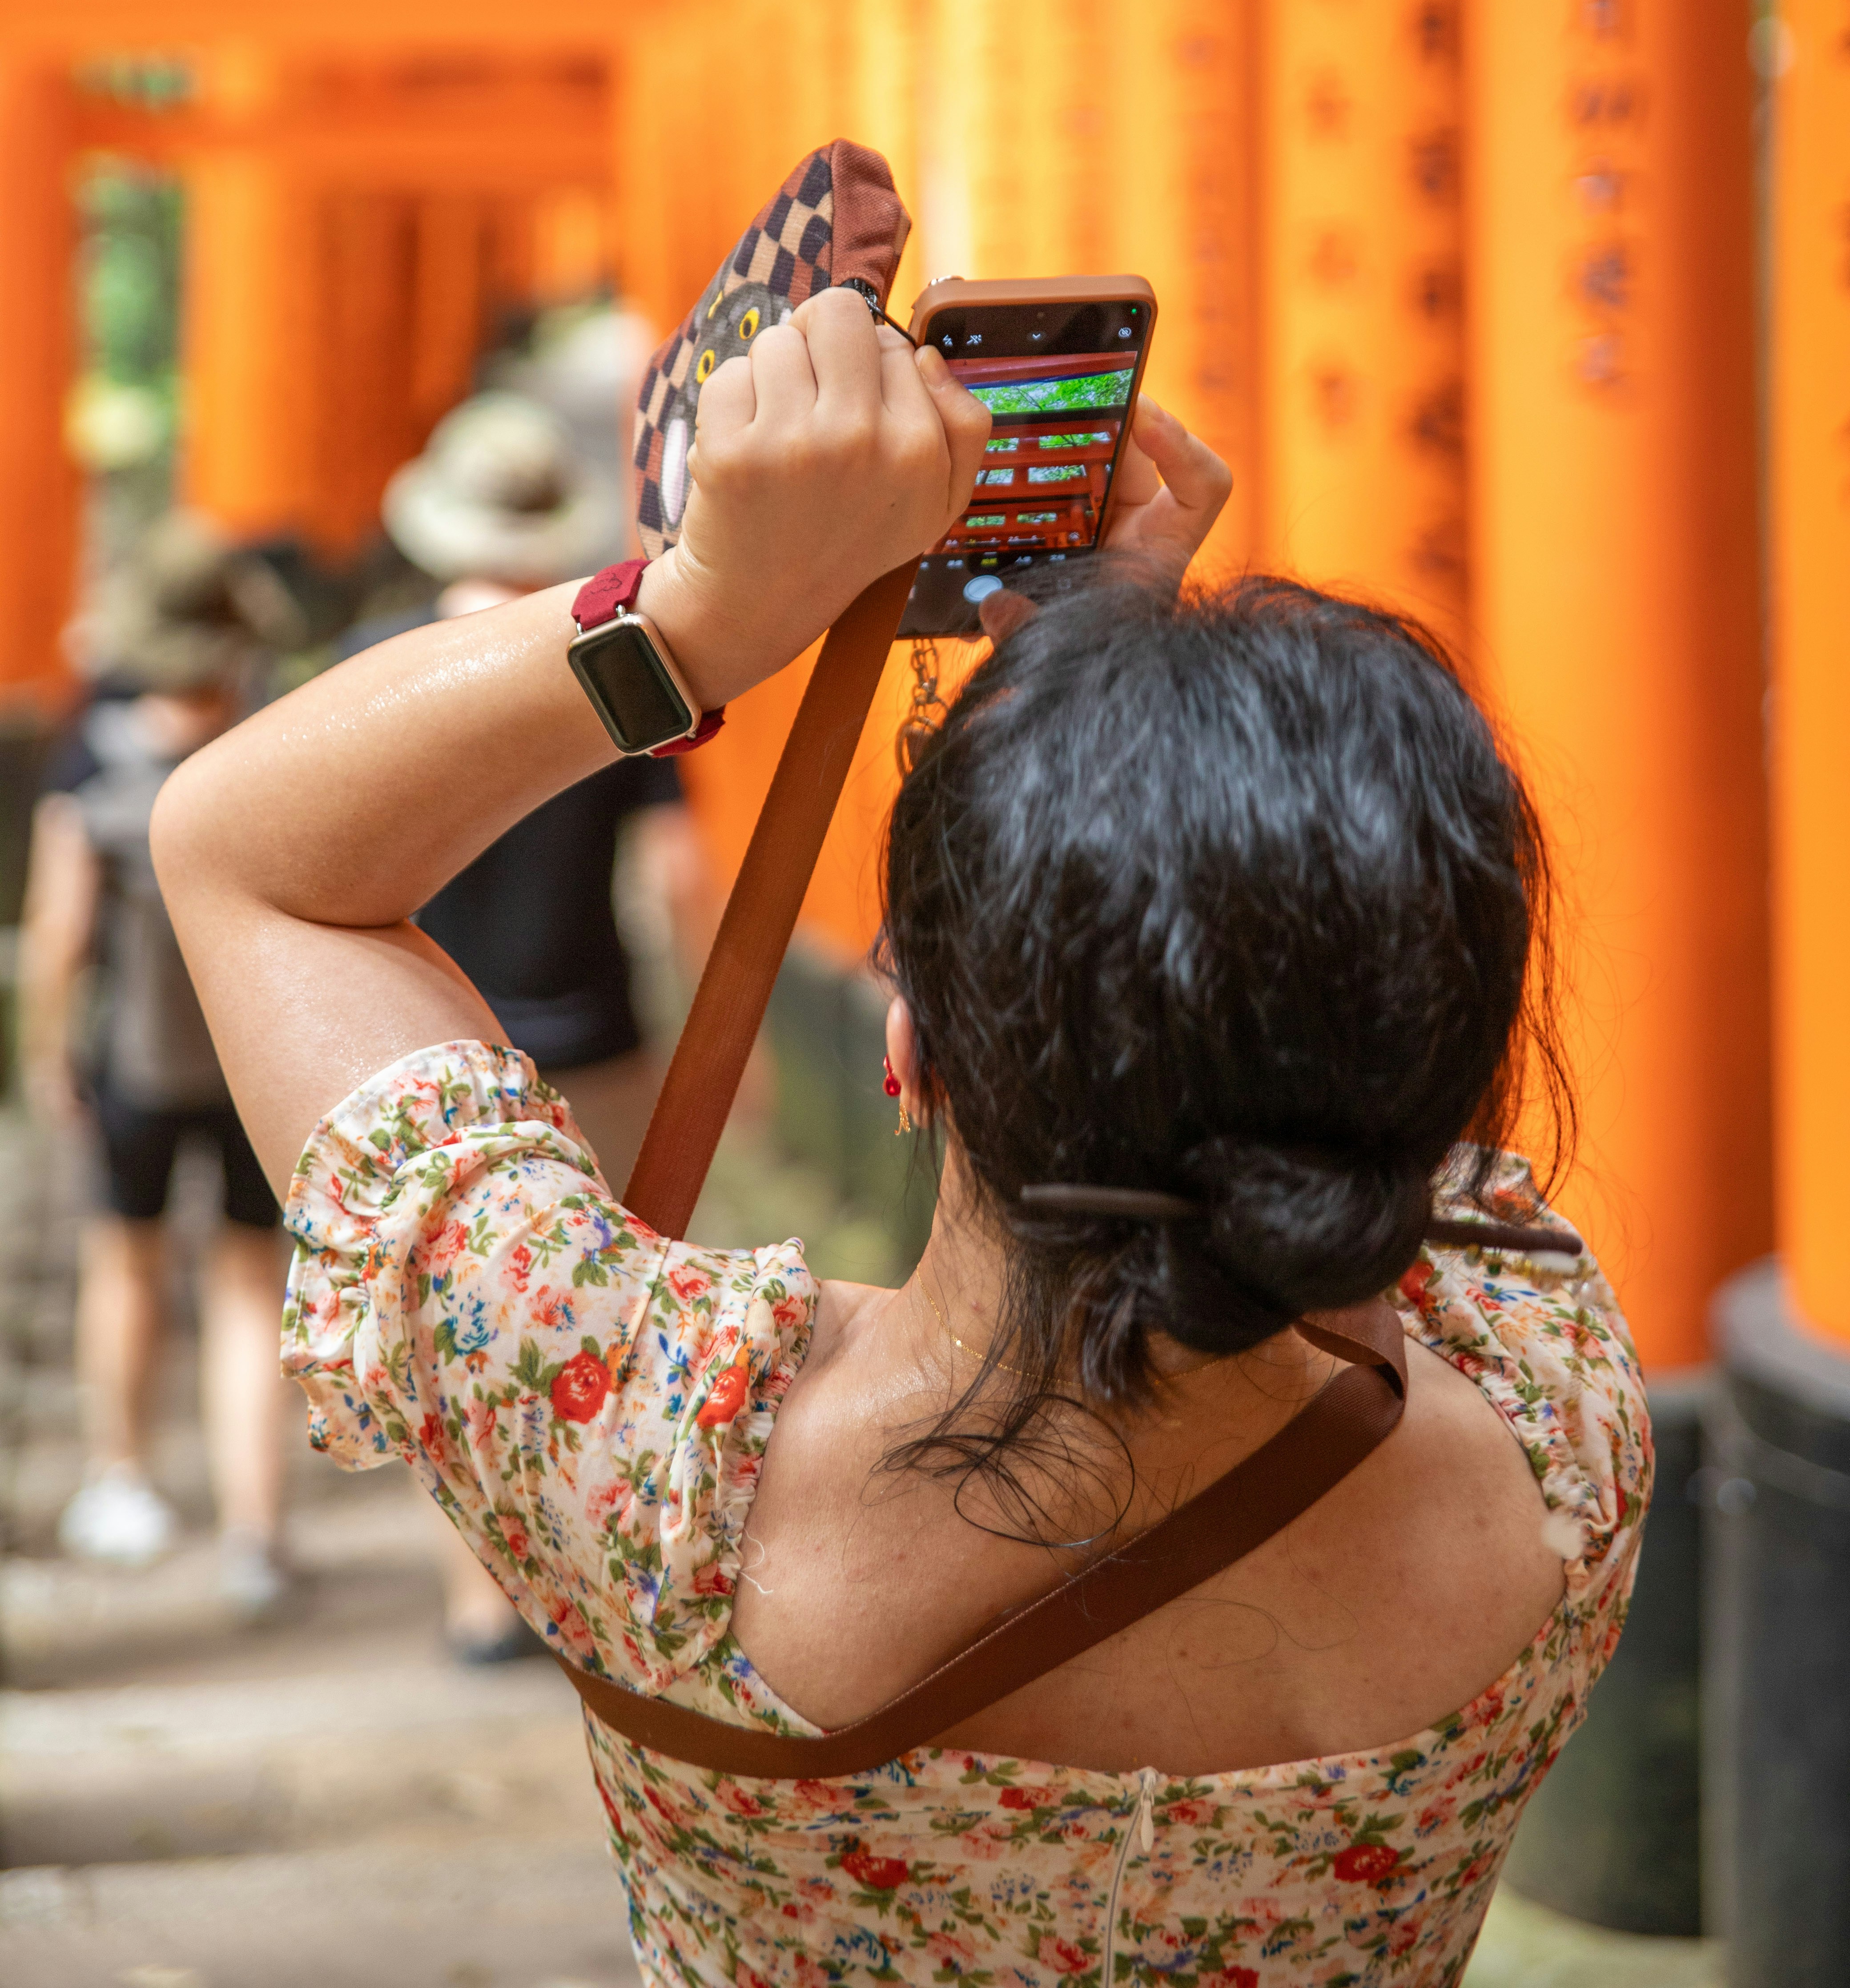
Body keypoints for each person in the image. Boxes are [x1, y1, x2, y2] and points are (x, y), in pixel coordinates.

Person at [154, 293, 1648, 1984]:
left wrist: (703, 619)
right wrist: (1105, 736)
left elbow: (246, 856)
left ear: (908, 1042)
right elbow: (1345, 1048)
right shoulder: (1554, 1441)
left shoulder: (646, 1471)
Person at [350, 387, 741, 1659]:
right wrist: (725, 1030)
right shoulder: (610, 664)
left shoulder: (382, 671)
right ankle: (588, 1569)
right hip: (596, 1036)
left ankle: (480, 1595)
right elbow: (676, 872)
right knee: (610, 1306)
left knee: (443, 1322)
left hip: (434, 1045)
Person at [20, 514, 298, 1609]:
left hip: (132, 1062)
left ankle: (124, 1477)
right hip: (252, 1062)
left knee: (127, 1268)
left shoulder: (96, 756)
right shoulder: (270, 744)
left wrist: (48, 1048)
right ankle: (255, 1526)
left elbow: (57, 930)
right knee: (244, 1284)